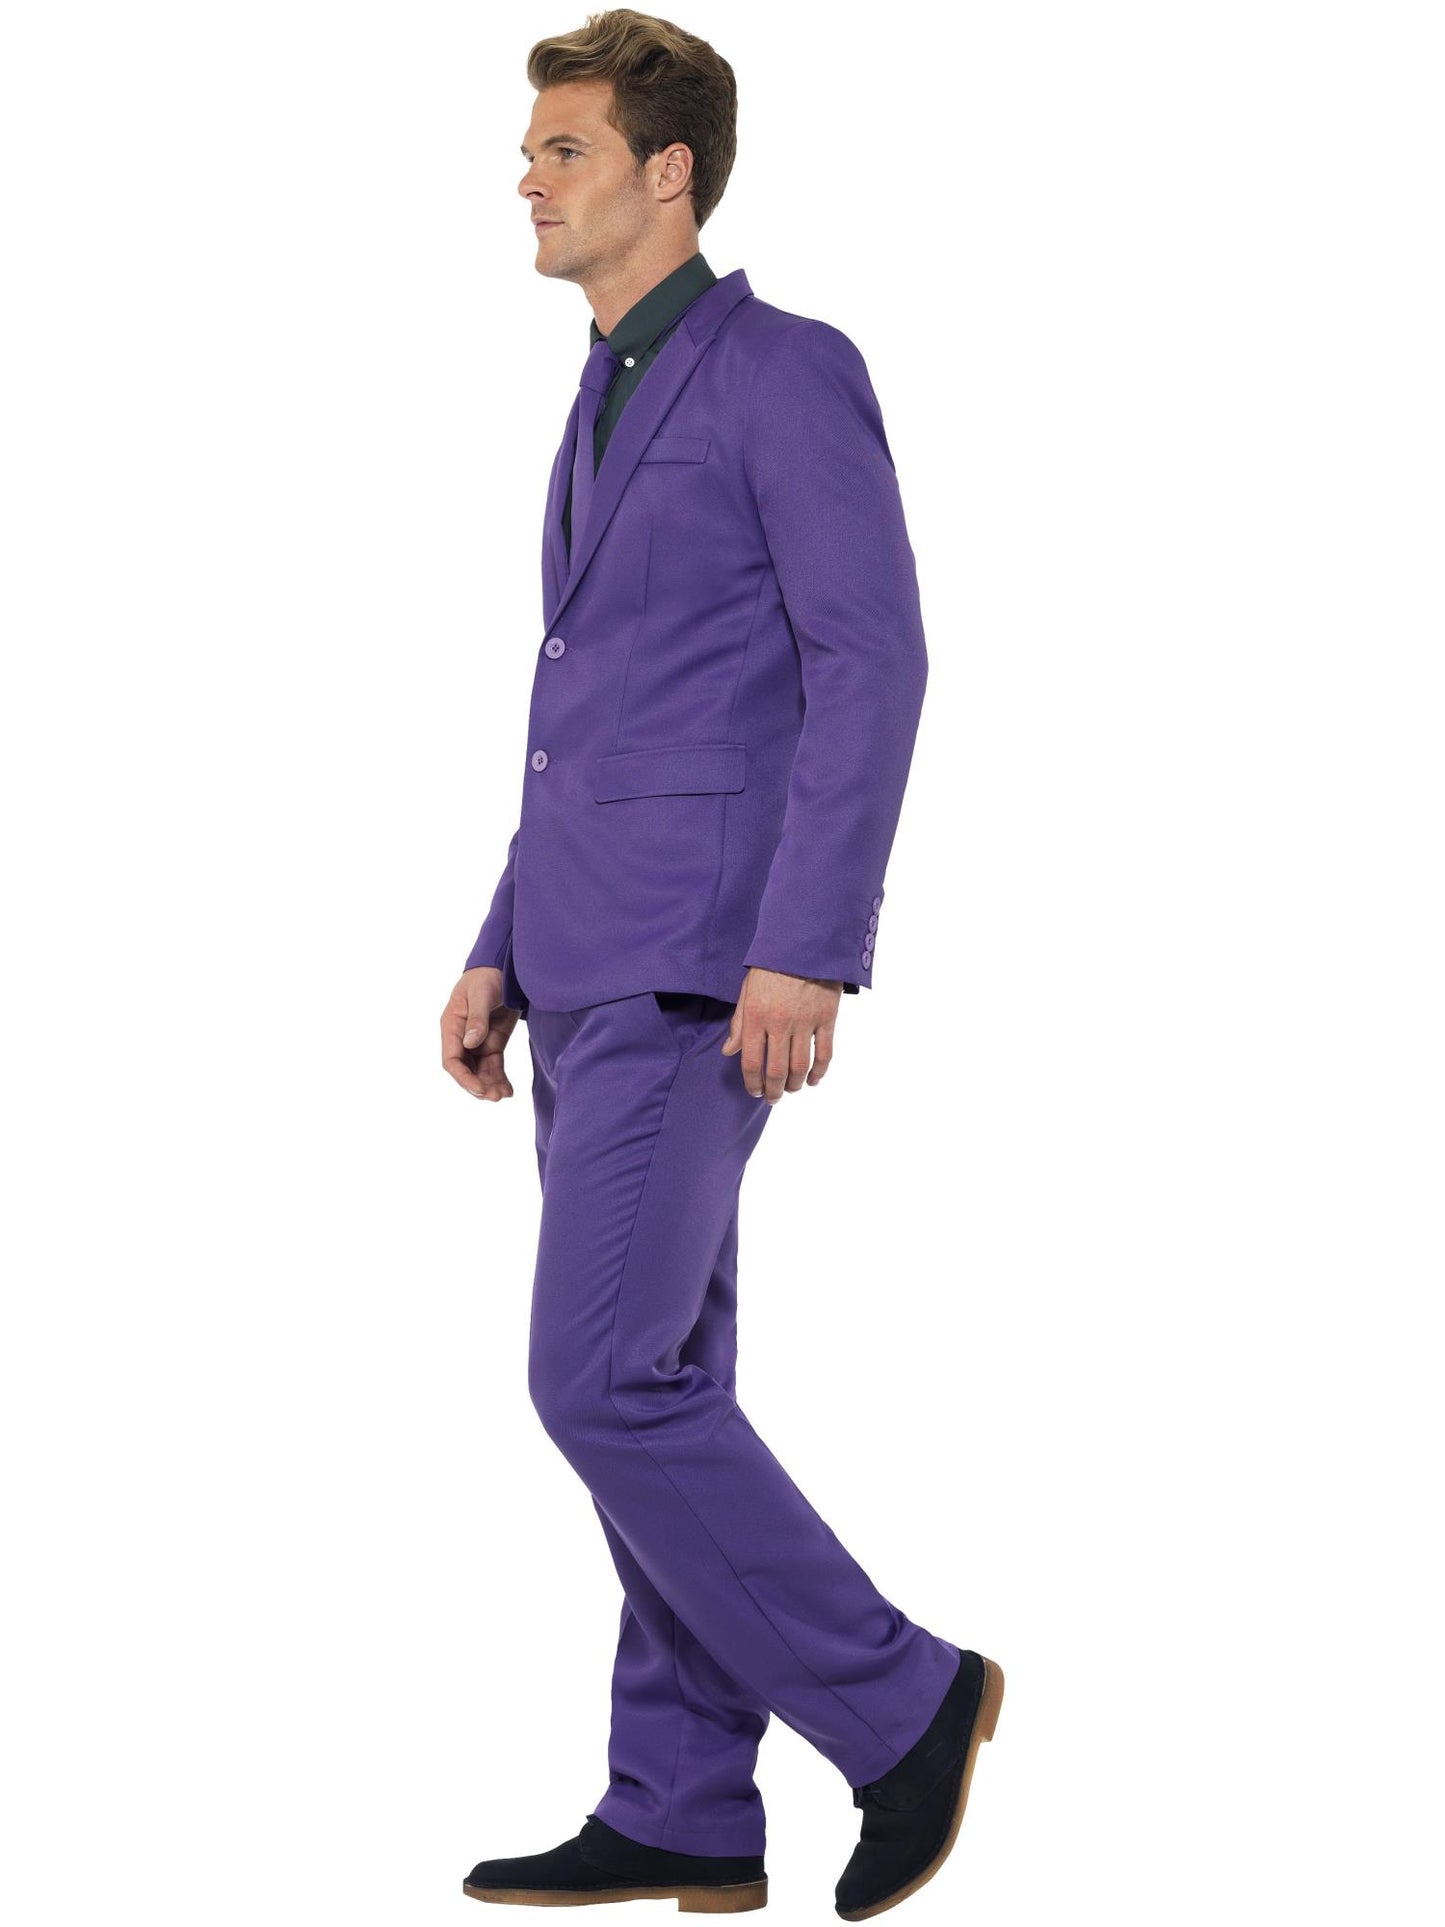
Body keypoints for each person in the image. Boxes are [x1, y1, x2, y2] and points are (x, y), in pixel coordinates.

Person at [439, 11, 1003, 1918]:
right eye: (533, 148)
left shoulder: (782, 369)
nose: (528, 177)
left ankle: (905, 1701)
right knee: (663, 1375)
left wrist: (809, 947)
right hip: (585, 959)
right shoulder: (603, 388)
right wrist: (499, 945)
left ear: (665, 172)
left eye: (565, 148)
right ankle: (683, 1798)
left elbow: (872, 661)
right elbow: (593, 712)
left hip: (702, 968)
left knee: (599, 1379)